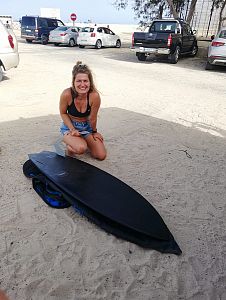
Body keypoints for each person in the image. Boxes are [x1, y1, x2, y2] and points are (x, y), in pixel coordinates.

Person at [59, 61, 106, 160]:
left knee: (101, 155)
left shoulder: (94, 96)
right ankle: (69, 144)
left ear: (90, 82)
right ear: (73, 82)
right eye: (79, 81)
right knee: (81, 149)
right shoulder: (67, 94)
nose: (82, 84)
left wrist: (94, 132)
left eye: (85, 81)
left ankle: (80, 140)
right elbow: (63, 113)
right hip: (70, 127)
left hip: (86, 128)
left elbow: (92, 118)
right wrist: (72, 129)